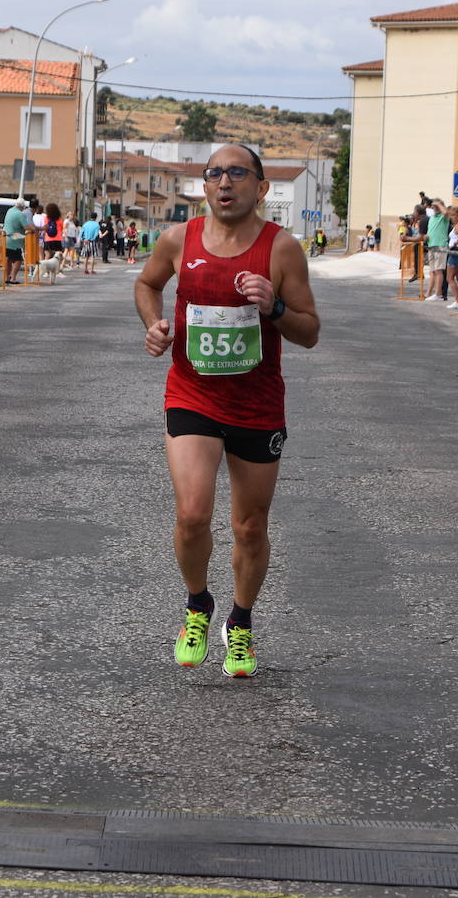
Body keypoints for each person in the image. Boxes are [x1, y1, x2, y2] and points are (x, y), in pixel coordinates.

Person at [132, 144, 320, 679]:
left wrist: (275, 307)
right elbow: (147, 284)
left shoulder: (282, 250)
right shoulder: (178, 239)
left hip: (257, 404)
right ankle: (197, 605)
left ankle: (239, 623)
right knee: (193, 514)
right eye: (214, 173)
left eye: (237, 173)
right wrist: (153, 323)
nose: (224, 182)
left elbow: (310, 332)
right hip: (192, 393)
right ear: (205, 186)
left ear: (261, 188)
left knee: (250, 526)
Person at [422, 199, 449, 302]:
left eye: (437, 206)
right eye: (434, 207)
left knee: (438, 270)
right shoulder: (432, 218)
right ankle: (428, 293)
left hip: (440, 246)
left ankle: (438, 293)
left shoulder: (443, 217)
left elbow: (446, 212)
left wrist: (439, 204)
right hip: (431, 245)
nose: (435, 208)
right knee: (432, 271)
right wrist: (426, 236)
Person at [1, 198, 27, 284]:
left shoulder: (10, 211)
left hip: (5, 238)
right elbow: (27, 227)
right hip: (15, 241)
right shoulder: (20, 214)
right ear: (22, 207)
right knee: (18, 260)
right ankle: (13, 278)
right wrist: (36, 229)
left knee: (8, 259)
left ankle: (6, 278)